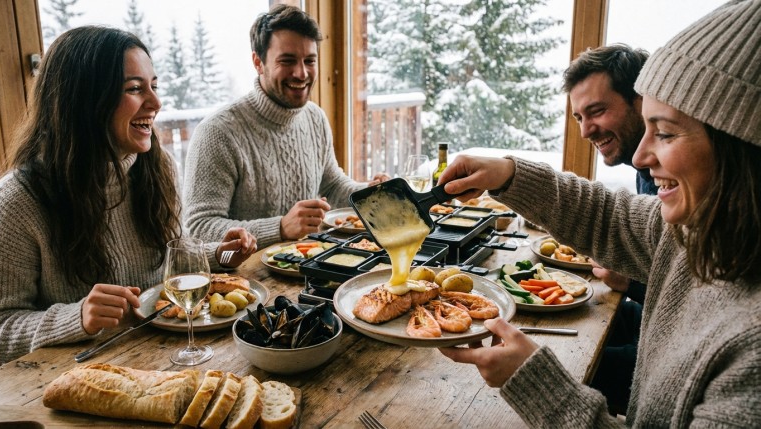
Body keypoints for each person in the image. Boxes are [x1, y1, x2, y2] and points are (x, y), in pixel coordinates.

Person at [437, 0, 761, 426]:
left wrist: (540, 387)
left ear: (741, 151)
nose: (642, 156)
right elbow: (606, 214)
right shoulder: (699, 231)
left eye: (664, 133)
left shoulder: (751, 354)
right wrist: (507, 174)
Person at [0, 26, 257, 366]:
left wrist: (219, 257)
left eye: (154, 86)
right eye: (135, 89)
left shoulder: (156, 167)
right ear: (85, 100)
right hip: (76, 384)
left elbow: (167, 266)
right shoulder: (17, 200)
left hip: (163, 359)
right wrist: (77, 318)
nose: (156, 103)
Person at [182, 4, 389, 249]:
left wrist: (370, 193)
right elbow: (197, 228)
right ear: (258, 62)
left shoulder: (315, 117)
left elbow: (332, 185)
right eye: (287, 61)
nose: (301, 73)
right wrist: (279, 228)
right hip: (244, 282)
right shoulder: (217, 132)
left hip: (308, 266)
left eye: (309, 61)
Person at [562, 44, 652, 413]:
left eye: (596, 111)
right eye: (579, 117)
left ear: (641, 100)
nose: (585, 131)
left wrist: (632, 284)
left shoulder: (673, 175)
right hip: (649, 315)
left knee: (569, 364)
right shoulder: (645, 171)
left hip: (662, 358)